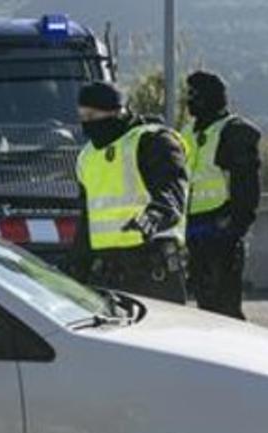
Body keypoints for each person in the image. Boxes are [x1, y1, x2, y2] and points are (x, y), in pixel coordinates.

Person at [71, 81, 188, 303]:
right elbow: (87, 220)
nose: (87, 124)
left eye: (93, 116)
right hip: (109, 270)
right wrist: (75, 269)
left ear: (117, 112)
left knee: (161, 336)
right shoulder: (87, 158)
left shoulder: (152, 141)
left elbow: (171, 193)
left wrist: (155, 215)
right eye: (82, 117)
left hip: (153, 266)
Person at [180, 71, 262, 319]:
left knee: (226, 311)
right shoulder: (187, 133)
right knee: (204, 310)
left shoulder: (232, 132)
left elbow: (247, 188)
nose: (189, 101)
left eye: (194, 96)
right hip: (193, 232)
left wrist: (234, 227)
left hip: (221, 231)